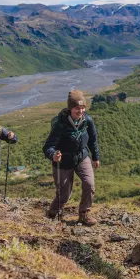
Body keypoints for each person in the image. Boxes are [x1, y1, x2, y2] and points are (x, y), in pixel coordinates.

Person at [43, 90, 101, 226]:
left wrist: (95, 157)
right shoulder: (60, 124)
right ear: (70, 108)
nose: (80, 111)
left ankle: (84, 214)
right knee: (64, 194)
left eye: (82, 108)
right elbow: (48, 146)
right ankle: (52, 213)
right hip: (63, 161)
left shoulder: (88, 120)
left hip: (81, 156)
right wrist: (53, 155)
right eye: (77, 108)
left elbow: (93, 140)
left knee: (89, 184)